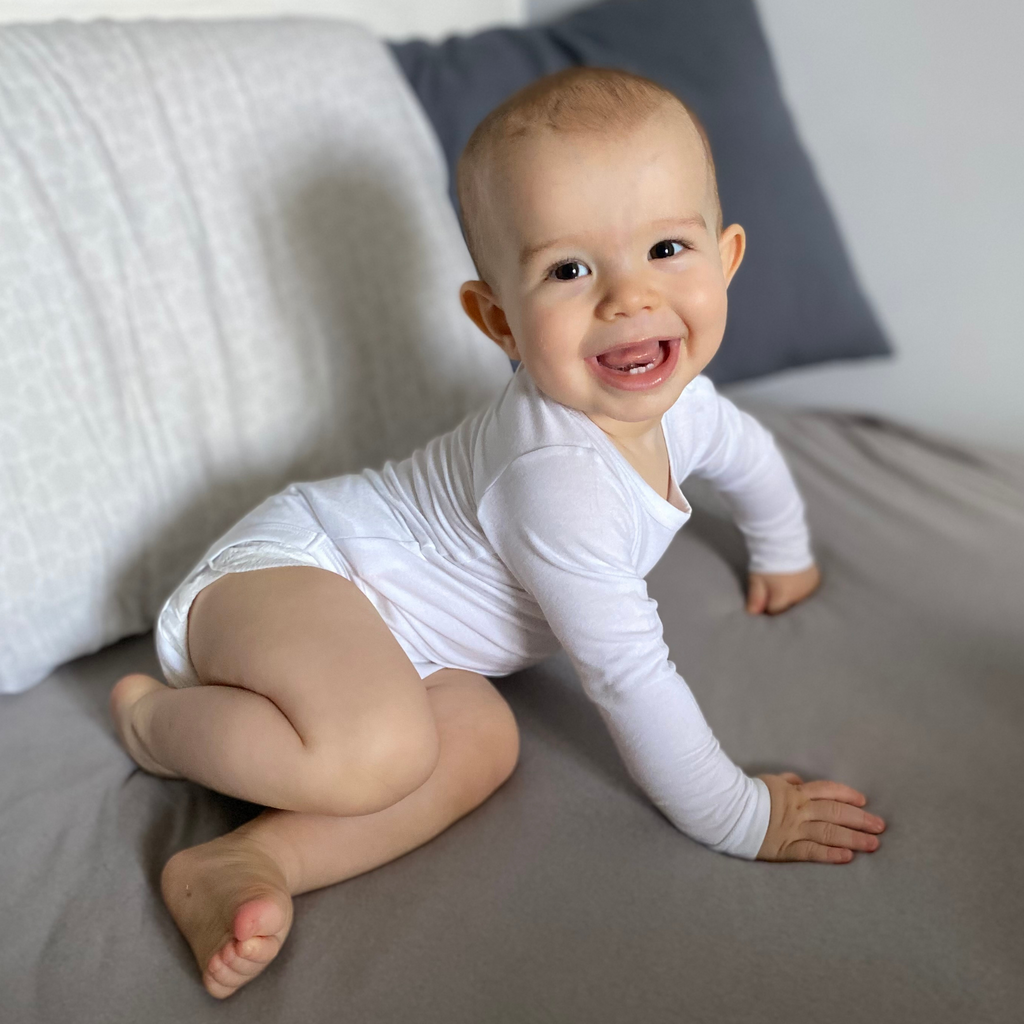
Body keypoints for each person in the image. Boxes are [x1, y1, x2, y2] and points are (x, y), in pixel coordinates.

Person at [110, 66, 886, 1000]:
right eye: (569, 270)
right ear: (498, 320)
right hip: (293, 574)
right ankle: (156, 724)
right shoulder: (555, 480)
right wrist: (739, 815)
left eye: (667, 248)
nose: (628, 300)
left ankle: (249, 863)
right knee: (382, 750)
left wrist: (784, 551)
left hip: (392, 646)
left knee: (482, 739)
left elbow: (748, 457)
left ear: (726, 259)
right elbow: (629, 674)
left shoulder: (689, 407)